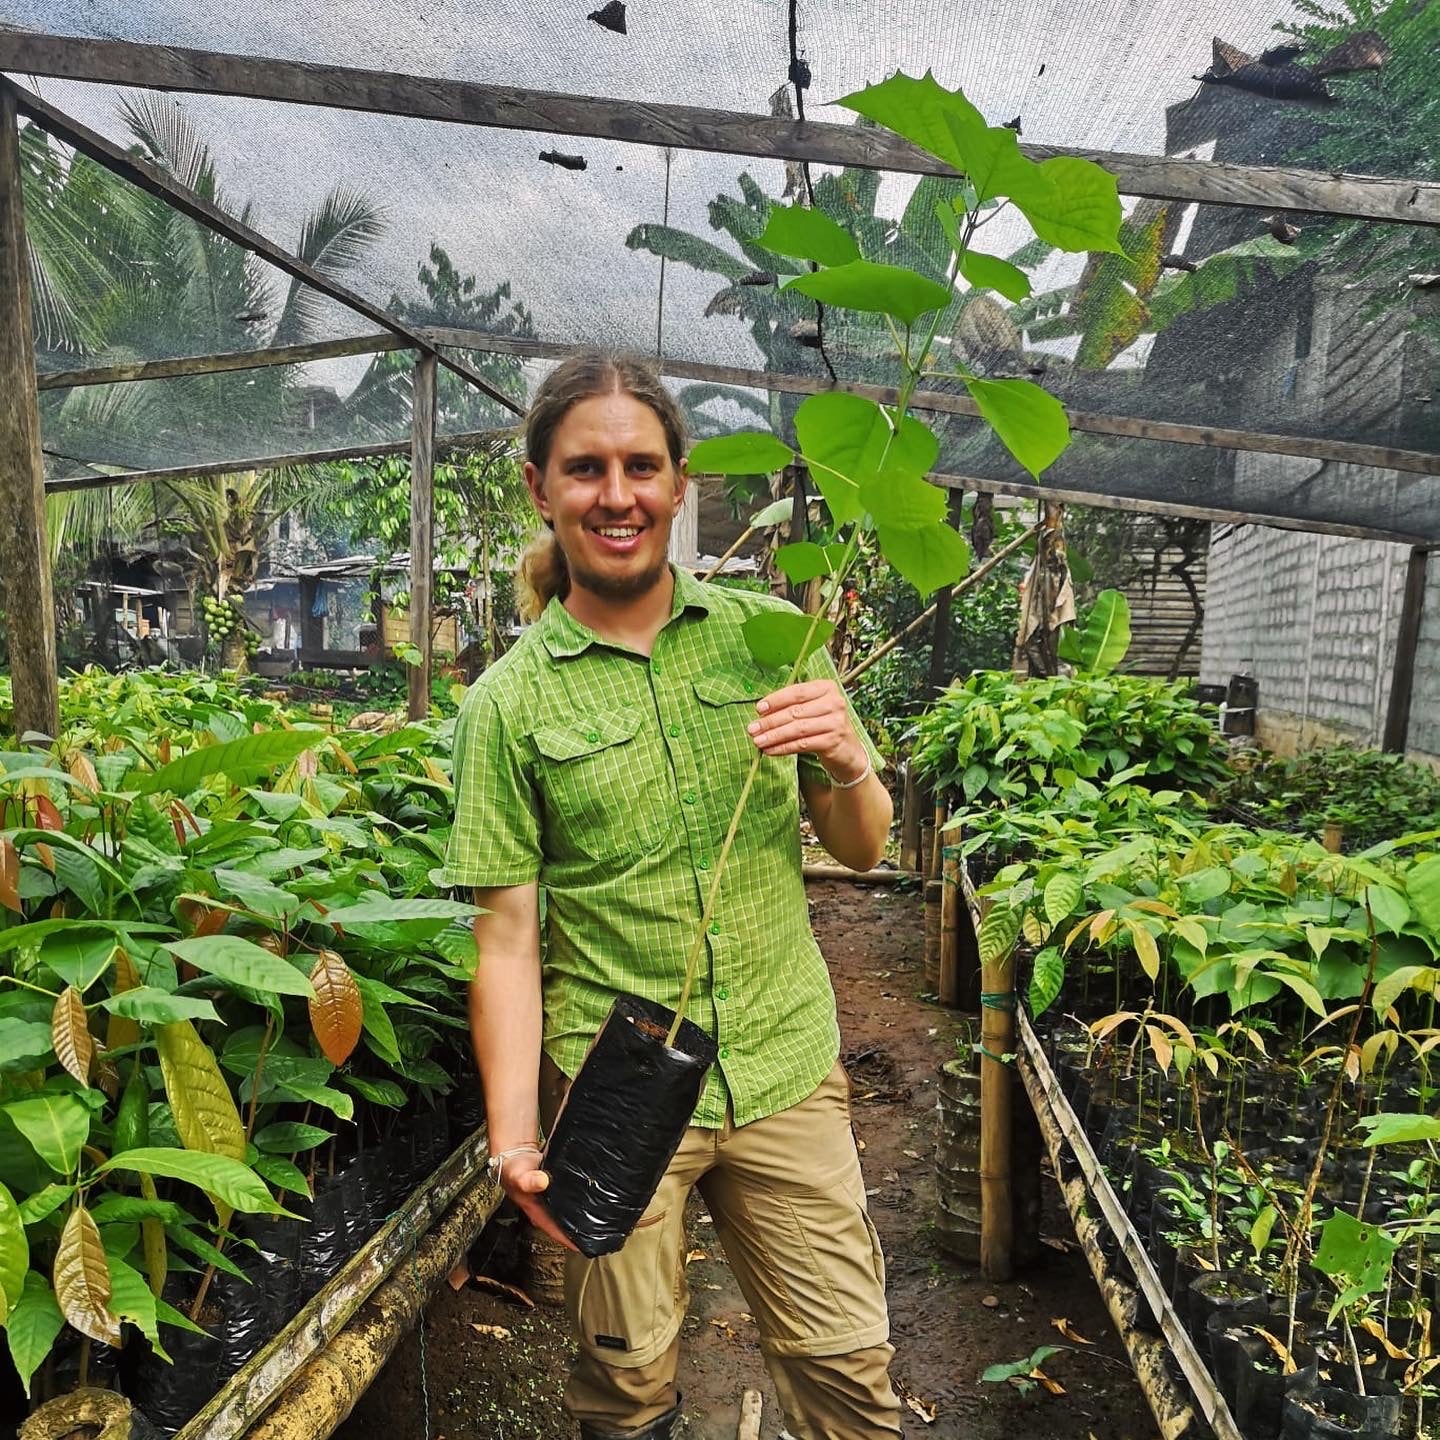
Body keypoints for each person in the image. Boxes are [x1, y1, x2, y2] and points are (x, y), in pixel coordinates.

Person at [440, 351, 904, 1440]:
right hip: (615, 1098)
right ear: (540, 488)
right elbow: (506, 941)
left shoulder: (769, 638)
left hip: (785, 1067)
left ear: (680, 484)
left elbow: (864, 848)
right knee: (626, 1382)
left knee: (846, 1369)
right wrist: (514, 1141)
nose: (618, 495)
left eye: (641, 466)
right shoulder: (506, 707)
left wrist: (847, 758)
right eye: (586, 468)